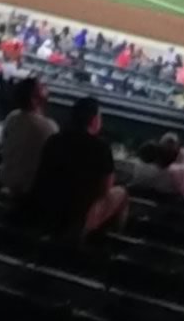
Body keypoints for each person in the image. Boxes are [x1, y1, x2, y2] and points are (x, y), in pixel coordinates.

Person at [19, 96, 127, 241]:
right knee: (121, 194)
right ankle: (107, 242)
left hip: (47, 209)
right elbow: (104, 190)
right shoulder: (101, 148)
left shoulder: (54, 140)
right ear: (94, 120)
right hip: (77, 217)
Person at [0, 76, 57, 198]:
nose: (45, 87)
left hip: (9, 183)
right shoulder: (49, 127)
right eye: (41, 87)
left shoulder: (12, 117)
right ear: (33, 99)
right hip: (32, 190)